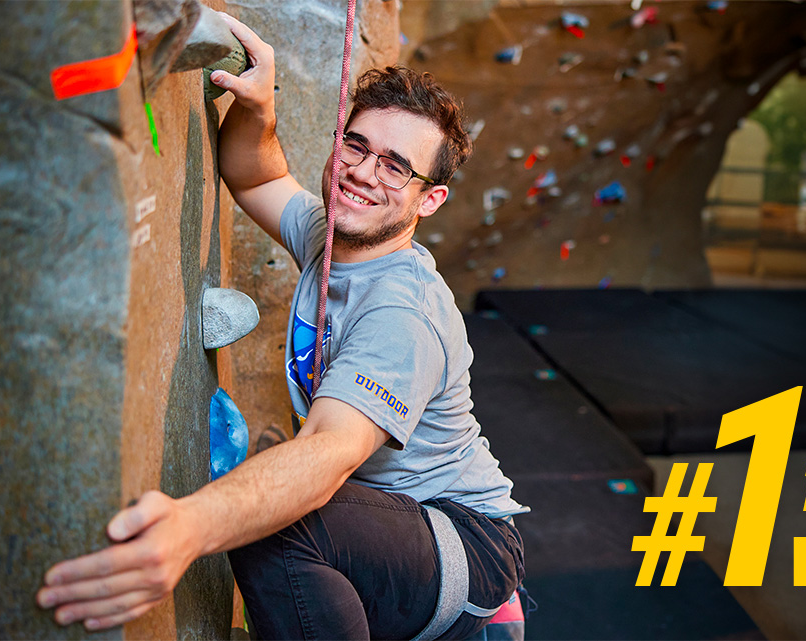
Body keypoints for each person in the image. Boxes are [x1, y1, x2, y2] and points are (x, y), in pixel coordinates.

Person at [35, 13, 526, 640]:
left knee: (278, 521)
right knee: (269, 506)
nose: (364, 173)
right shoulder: (333, 239)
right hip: (390, 533)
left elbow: (325, 455)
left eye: (396, 167)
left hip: (463, 543)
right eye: (357, 145)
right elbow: (259, 175)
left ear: (428, 199)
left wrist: (188, 530)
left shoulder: (403, 311)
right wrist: (259, 105)